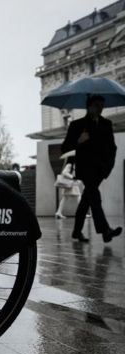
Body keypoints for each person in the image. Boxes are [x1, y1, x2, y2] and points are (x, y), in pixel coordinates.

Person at [61, 95, 122, 243]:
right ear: (89, 106)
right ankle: (105, 230)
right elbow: (65, 148)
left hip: (100, 170)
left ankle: (76, 232)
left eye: (102, 105)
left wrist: (108, 168)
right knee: (95, 197)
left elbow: (112, 148)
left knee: (86, 200)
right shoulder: (77, 125)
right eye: (97, 105)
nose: (100, 108)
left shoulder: (106, 124)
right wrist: (78, 141)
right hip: (85, 170)